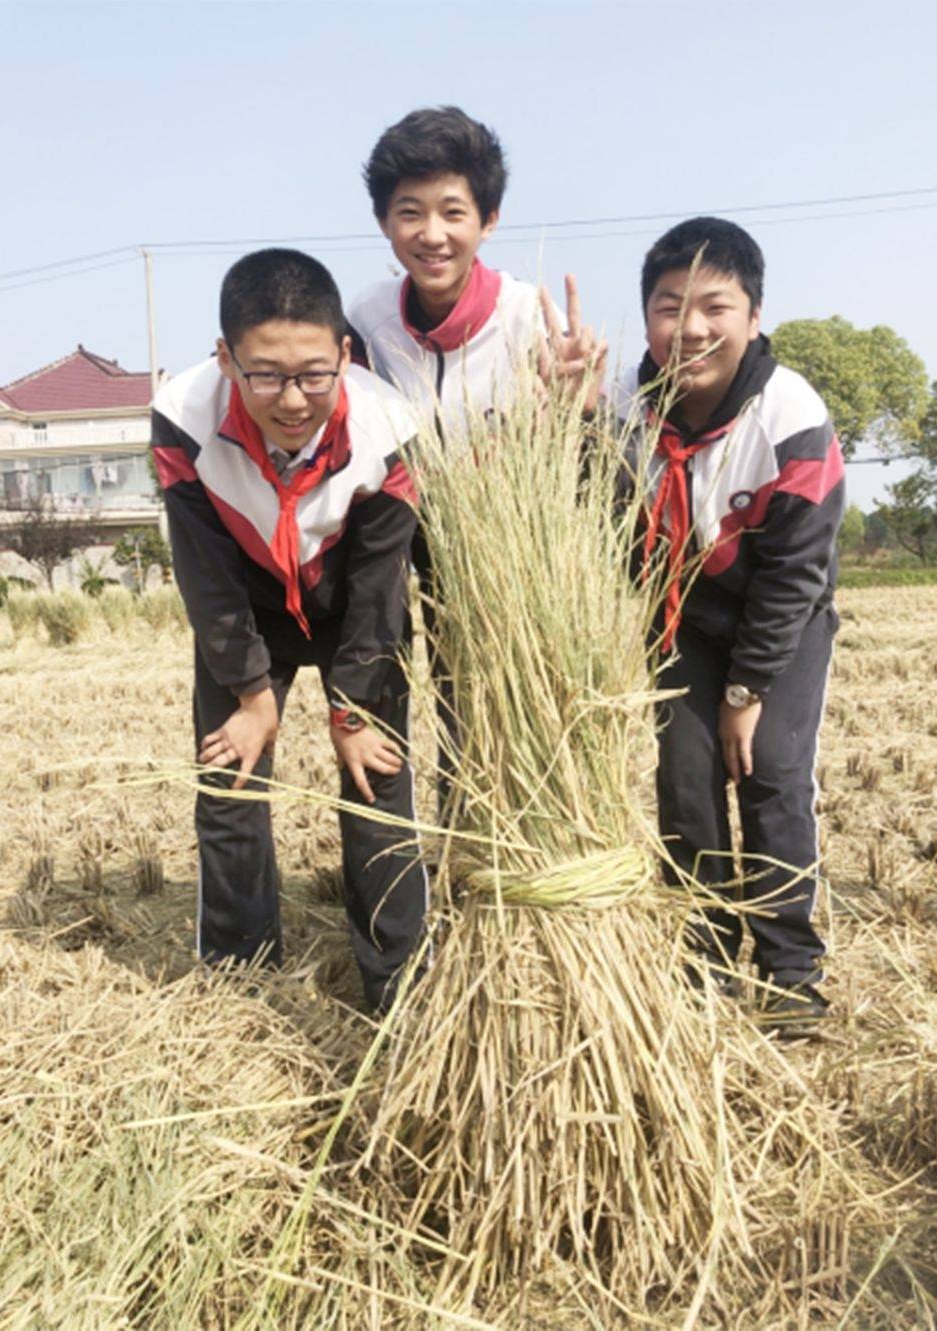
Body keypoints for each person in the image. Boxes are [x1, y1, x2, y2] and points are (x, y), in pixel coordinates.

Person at [151, 248, 428, 1013]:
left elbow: (381, 586)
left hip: (351, 610)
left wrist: (352, 711)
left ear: (344, 353)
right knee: (229, 777)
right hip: (247, 606)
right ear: (225, 358)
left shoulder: (387, 426)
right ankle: (241, 979)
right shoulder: (182, 416)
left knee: (378, 780)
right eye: (266, 374)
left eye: (313, 372)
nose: (294, 399)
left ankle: (398, 980)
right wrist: (249, 691)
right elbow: (203, 570)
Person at [612, 217, 845, 1029]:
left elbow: (795, 570)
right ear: (647, 318)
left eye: (716, 305)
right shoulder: (621, 410)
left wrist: (748, 687)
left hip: (779, 619)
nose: (694, 327)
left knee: (772, 771)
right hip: (680, 623)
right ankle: (703, 959)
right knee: (686, 781)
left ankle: (789, 972)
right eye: (671, 306)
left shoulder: (792, 417)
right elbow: (597, 522)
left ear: (753, 315)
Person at [348, 105, 603, 807]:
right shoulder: (366, 316)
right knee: (378, 706)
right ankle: (402, 885)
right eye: (410, 212)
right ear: (383, 222)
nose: (432, 234)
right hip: (394, 544)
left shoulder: (529, 318)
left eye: (453, 212)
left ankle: (487, 851)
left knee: (486, 711)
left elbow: (577, 464)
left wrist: (579, 409)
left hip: (499, 557)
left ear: (489, 219)